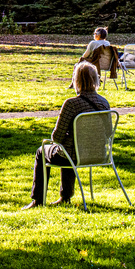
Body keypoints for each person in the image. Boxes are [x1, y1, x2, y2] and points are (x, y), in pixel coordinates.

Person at [23, 62, 110, 210]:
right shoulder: (104, 102)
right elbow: (108, 132)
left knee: (44, 151)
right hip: (98, 154)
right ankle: (65, 197)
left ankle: (38, 199)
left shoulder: (71, 104)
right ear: (96, 79)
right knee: (69, 148)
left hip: (73, 154)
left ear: (76, 81)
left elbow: (56, 137)